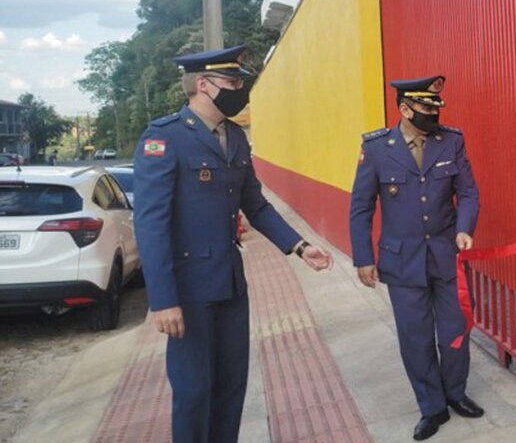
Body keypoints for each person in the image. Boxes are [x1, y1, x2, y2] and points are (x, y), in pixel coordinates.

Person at [132, 45, 334, 443]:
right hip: (188, 292)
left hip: (229, 284)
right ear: (203, 85)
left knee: (230, 387)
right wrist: (163, 299)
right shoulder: (165, 138)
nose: (240, 89)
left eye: (241, 81)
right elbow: (150, 224)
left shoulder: (235, 138)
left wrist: (298, 246)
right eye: (232, 81)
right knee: (193, 392)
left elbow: (255, 204)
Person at [349, 75, 483, 441]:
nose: (433, 114)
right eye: (426, 107)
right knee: (416, 337)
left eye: (436, 107)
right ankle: (432, 406)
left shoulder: (451, 141)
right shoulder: (377, 148)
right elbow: (361, 207)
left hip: (445, 254)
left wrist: (465, 226)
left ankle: (456, 393)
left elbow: (468, 192)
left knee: (455, 330)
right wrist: (363, 257)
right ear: (405, 109)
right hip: (402, 260)